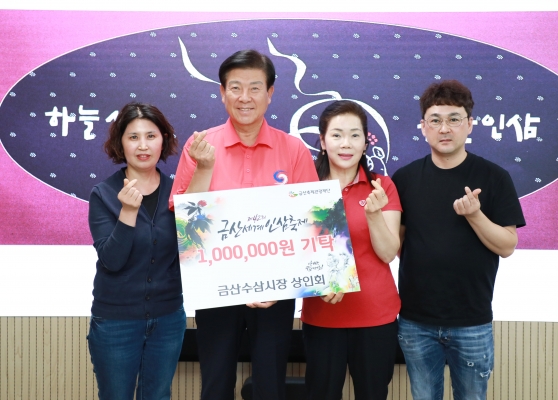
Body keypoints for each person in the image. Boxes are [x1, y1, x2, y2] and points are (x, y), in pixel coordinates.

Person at [168, 49, 318, 400]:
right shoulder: (200, 146)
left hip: (275, 291)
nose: (244, 97)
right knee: (216, 383)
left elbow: (313, 222)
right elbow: (182, 219)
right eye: (235, 88)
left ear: (270, 93)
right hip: (215, 288)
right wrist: (204, 168)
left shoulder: (293, 149)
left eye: (255, 87)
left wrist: (279, 283)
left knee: (270, 385)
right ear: (222, 93)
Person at [391, 80, 526, 400]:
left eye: (454, 119)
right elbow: (395, 246)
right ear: (423, 127)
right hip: (415, 321)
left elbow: (507, 246)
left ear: (470, 124)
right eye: (435, 120)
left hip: (472, 321)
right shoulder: (404, 179)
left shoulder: (494, 177)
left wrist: (475, 215)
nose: (445, 128)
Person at [301, 100, 402, 400]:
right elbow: (294, 251)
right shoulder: (304, 187)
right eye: (337, 135)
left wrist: (374, 214)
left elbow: (388, 253)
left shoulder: (382, 186)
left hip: (376, 316)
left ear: (365, 142)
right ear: (322, 141)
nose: (346, 144)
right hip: (322, 315)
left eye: (355, 135)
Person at [87, 102, 186, 400]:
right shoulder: (103, 194)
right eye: (133, 137)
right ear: (120, 143)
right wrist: (128, 212)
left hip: (168, 318)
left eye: (151, 136)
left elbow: (196, 250)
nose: (143, 145)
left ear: (163, 140)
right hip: (116, 321)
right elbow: (112, 260)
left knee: (158, 395)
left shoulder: (178, 192)